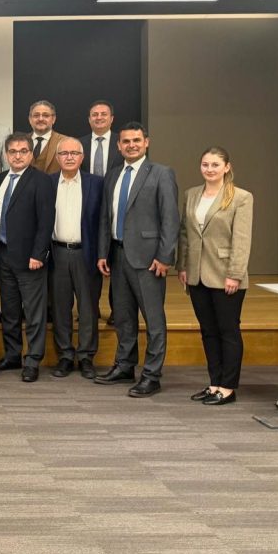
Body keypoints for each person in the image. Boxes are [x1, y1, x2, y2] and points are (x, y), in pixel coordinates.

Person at [95, 122, 179, 398]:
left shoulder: (161, 173)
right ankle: (124, 366)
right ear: (119, 146)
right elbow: (106, 217)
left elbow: (170, 219)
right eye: (126, 141)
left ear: (146, 143)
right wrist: (103, 252)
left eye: (136, 140)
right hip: (118, 256)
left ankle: (152, 375)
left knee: (153, 321)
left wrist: (165, 257)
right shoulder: (113, 175)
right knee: (123, 317)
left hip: (149, 260)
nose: (131, 145)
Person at [176, 147, 253, 406]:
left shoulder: (241, 197)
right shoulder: (191, 194)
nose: (209, 169)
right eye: (205, 164)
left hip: (225, 275)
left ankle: (228, 387)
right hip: (196, 274)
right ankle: (214, 383)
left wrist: (235, 274)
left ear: (226, 167)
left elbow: (242, 240)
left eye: (215, 165)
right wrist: (183, 266)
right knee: (208, 331)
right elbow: (185, 233)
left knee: (228, 331)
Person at [0, 133, 55, 382]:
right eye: (13, 151)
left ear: (31, 154)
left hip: (30, 259)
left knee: (33, 312)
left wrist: (38, 253)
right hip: (3, 254)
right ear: (6, 154)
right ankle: (12, 355)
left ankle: (32, 360)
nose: (17, 156)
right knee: (9, 310)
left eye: (23, 151)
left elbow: (46, 220)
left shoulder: (41, 181)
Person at [48, 138, 103, 380]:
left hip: (86, 253)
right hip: (57, 253)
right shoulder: (48, 183)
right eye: (64, 153)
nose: (69, 157)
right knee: (60, 307)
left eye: (74, 153)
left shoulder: (96, 184)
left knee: (88, 307)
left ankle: (86, 356)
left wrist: (103, 254)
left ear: (82, 157)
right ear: (57, 157)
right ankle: (65, 355)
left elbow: (103, 222)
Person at [79, 100, 122, 325]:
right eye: (94, 114)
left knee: (116, 261)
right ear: (89, 119)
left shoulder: (122, 142)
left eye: (103, 114)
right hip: (87, 210)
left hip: (116, 208)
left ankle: (117, 310)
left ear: (111, 118)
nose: (99, 117)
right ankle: (90, 309)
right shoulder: (79, 144)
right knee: (89, 263)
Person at [28, 100, 67, 175]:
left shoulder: (65, 142)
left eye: (45, 115)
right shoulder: (20, 141)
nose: (40, 119)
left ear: (53, 119)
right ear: (30, 119)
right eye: (36, 115)